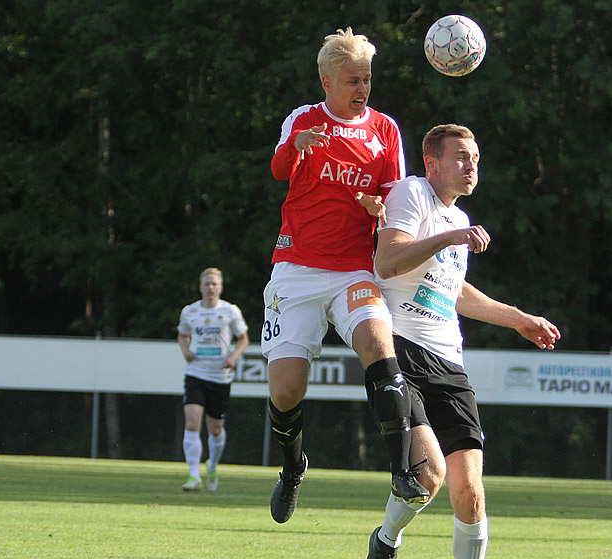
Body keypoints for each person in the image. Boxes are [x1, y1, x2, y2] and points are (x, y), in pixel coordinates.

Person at [361, 124, 561, 559]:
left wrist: (519, 319)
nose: (472, 166)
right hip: (400, 350)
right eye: (462, 157)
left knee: (469, 493)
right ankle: (386, 539)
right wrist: (451, 235)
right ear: (432, 164)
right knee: (427, 476)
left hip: (449, 363)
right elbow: (388, 261)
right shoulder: (412, 192)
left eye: (476, 158)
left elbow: (455, 292)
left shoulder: (459, 217)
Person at [263, 27, 429, 524]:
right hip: (296, 269)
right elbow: (277, 170)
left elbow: (392, 196)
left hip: (355, 268)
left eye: (368, 79)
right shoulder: (304, 119)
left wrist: (377, 203)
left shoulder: (385, 129)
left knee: (380, 348)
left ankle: (402, 471)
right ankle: (293, 467)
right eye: (354, 80)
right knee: (286, 390)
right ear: (327, 80)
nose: (363, 89)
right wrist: (297, 143)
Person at [177, 267, 249, 492]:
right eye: (206, 284)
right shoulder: (189, 312)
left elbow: (243, 338)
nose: (210, 288)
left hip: (220, 377)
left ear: (220, 287)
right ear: (200, 287)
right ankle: (193, 475)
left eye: (214, 284)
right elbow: (182, 334)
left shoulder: (230, 311)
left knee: (215, 429)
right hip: (196, 374)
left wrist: (233, 357)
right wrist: (186, 350)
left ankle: (213, 465)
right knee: (192, 422)